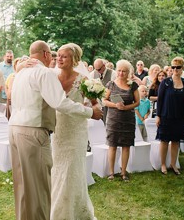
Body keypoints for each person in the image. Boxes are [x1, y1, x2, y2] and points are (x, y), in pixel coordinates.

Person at [9, 41, 102, 220]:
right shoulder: (46, 73)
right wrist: (90, 112)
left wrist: (20, 65)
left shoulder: (21, 73)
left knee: (24, 186)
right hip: (37, 131)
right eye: (54, 54)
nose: (57, 58)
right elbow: (59, 103)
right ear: (46, 54)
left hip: (21, 129)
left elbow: (93, 101)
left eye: (62, 55)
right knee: (40, 188)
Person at [49, 43, 97, 220]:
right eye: (58, 55)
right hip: (58, 131)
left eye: (64, 56)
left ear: (74, 60)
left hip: (76, 131)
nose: (59, 59)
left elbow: (95, 105)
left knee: (71, 171)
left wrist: (90, 108)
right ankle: (56, 208)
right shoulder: (52, 77)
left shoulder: (84, 81)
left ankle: (71, 213)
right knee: (58, 170)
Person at [155, 57, 184, 176]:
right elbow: (160, 100)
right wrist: (158, 116)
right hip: (166, 116)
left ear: (182, 68)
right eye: (173, 67)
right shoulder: (165, 82)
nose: (175, 69)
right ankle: (162, 164)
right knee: (164, 141)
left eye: (178, 67)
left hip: (181, 117)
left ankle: (173, 164)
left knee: (176, 141)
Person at [103, 60, 140, 181]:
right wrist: (115, 106)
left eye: (124, 71)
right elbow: (104, 100)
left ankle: (123, 172)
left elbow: (137, 102)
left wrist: (125, 107)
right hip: (113, 119)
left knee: (126, 146)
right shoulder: (111, 84)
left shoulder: (133, 85)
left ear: (128, 72)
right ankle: (111, 172)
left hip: (128, 119)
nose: (121, 73)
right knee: (112, 145)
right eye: (119, 70)